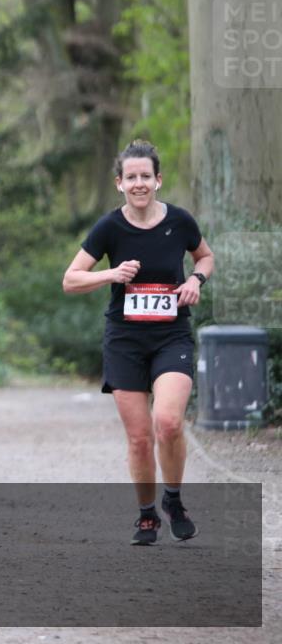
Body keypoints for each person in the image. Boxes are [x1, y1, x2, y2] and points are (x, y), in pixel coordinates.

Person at [62, 139, 214, 545]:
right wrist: (109, 276)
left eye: (146, 176)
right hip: (125, 340)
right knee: (139, 437)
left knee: (167, 422)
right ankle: (147, 514)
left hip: (171, 336)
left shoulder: (180, 222)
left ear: (158, 180)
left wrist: (196, 280)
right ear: (120, 183)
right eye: (132, 177)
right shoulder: (109, 227)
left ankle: (174, 500)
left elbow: (205, 257)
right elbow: (71, 279)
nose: (139, 183)